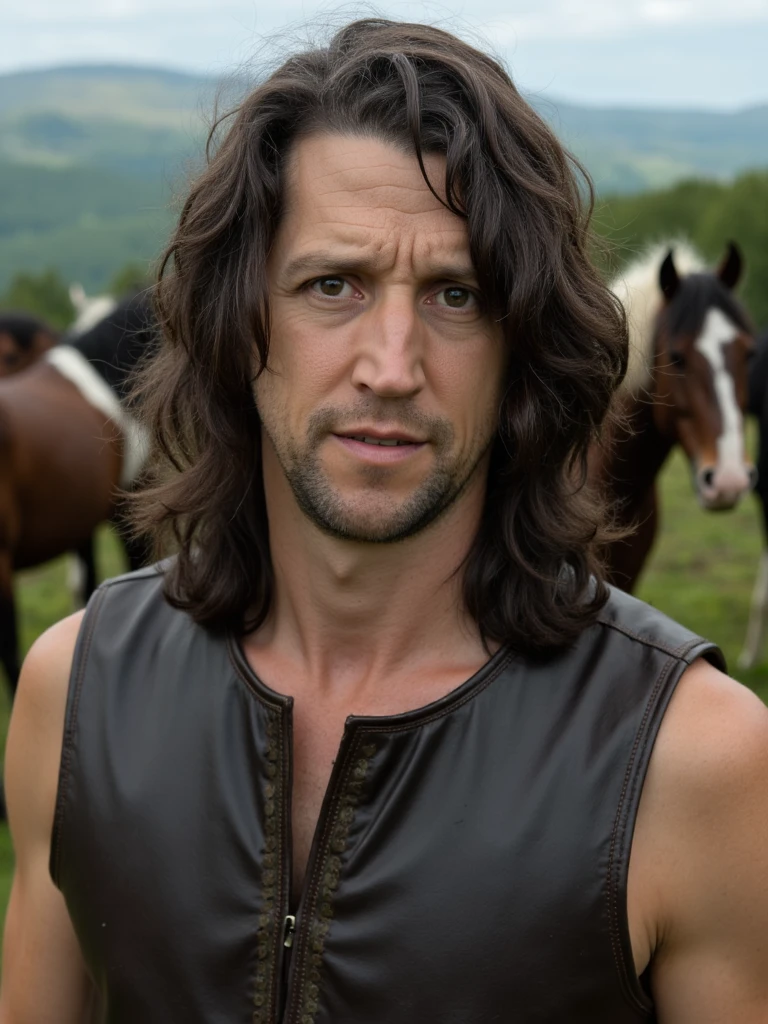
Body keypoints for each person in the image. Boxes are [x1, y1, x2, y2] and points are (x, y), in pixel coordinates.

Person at [2, 19, 767, 1024]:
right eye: (334, 285)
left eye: (456, 294)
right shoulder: (78, 689)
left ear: (522, 346)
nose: (392, 365)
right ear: (241, 320)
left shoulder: (696, 759)